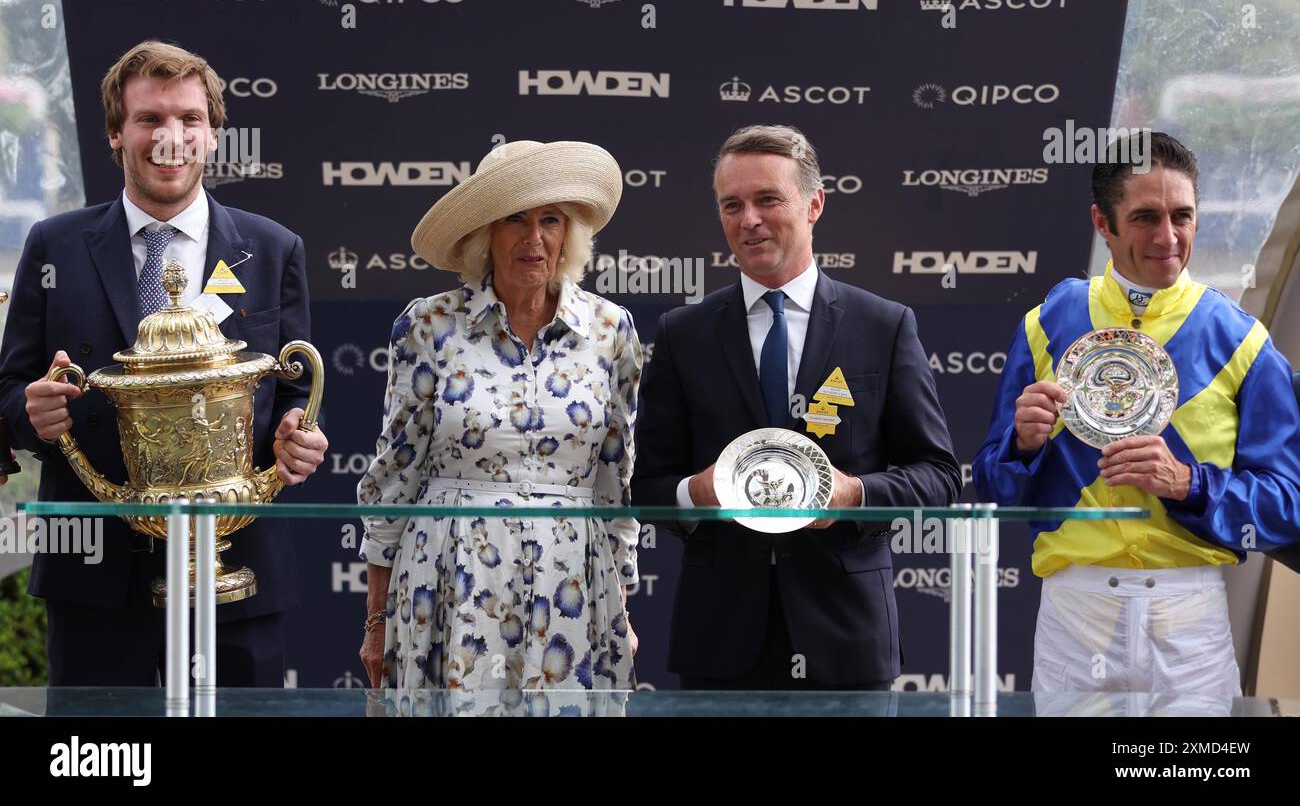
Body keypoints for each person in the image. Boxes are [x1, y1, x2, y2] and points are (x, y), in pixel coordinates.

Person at [0, 40, 328, 686]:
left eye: (189, 119)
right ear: (116, 135)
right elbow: (8, 394)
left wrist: (301, 435)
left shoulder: (272, 249)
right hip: (94, 582)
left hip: (238, 578)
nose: (170, 137)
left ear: (212, 137)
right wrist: (26, 413)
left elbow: (294, 390)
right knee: (107, 764)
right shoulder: (53, 246)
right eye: (149, 119)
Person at [972, 131, 1300, 699]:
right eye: (1146, 216)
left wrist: (1186, 483)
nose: (1168, 237)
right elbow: (992, 488)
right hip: (1076, 612)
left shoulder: (1244, 339)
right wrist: (1021, 447)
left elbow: (1287, 505)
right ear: (1103, 223)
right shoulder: (1048, 322)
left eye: (1183, 216)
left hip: (1189, 612)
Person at [632, 124, 961, 690]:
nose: (748, 219)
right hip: (720, 644)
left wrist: (855, 495)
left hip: (846, 641)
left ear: (815, 205)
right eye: (731, 205)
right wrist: (695, 493)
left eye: (767, 199)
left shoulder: (883, 325)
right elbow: (647, 486)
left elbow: (938, 475)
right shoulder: (683, 334)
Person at [357, 140, 641, 694]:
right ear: (486, 234)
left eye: (550, 220)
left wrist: (621, 605)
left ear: (569, 235)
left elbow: (616, 480)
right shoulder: (430, 324)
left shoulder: (611, 330)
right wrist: (375, 618)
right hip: (448, 576)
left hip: (574, 582)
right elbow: (394, 476)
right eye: (514, 219)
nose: (533, 238)